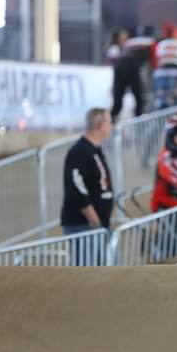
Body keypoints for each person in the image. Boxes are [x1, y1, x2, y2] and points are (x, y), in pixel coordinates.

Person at [60, 108, 114, 266]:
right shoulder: (79, 151)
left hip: (97, 226)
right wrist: (94, 219)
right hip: (84, 226)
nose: (111, 126)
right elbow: (76, 188)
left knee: (110, 268)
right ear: (99, 125)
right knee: (87, 271)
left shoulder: (94, 150)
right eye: (109, 122)